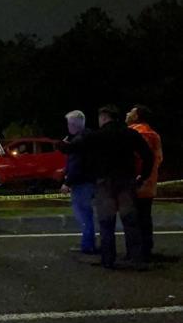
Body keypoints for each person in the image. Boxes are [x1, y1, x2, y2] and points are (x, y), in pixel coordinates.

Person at [61, 105, 153, 269]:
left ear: (103, 118)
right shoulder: (130, 134)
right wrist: (143, 176)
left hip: (105, 183)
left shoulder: (98, 136)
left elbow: (75, 148)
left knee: (106, 222)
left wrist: (62, 146)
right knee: (130, 220)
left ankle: (108, 258)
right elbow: (148, 155)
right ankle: (136, 258)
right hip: (126, 180)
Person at [126, 105, 163, 260]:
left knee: (133, 218)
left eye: (131, 112)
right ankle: (146, 249)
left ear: (136, 117)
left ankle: (137, 252)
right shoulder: (154, 134)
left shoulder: (135, 134)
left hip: (135, 182)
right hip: (149, 183)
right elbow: (159, 158)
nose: (127, 114)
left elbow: (135, 158)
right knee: (145, 217)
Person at [60, 110, 96, 254]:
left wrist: (67, 182)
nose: (68, 126)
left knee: (83, 215)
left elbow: (76, 165)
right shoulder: (89, 137)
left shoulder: (78, 141)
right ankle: (89, 243)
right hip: (89, 181)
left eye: (69, 123)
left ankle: (87, 246)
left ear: (74, 124)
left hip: (81, 183)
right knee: (87, 214)